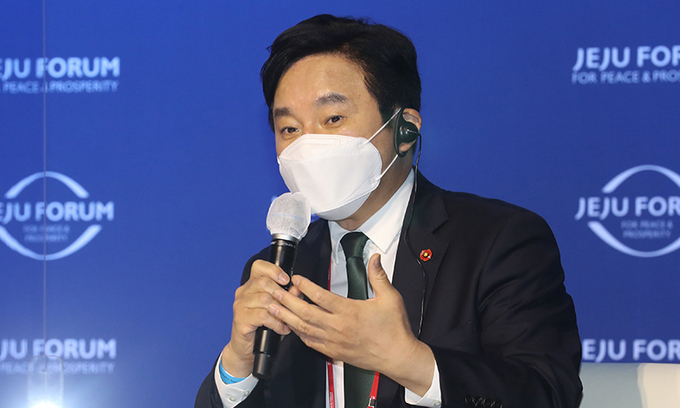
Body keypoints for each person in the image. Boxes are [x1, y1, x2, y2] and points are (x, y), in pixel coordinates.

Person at [196, 14, 582, 408]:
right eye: (290, 129)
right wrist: (238, 364)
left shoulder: (497, 241)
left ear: (404, 130)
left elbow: (549, 393)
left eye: (333, 119)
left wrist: (410, 362)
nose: (307, 145)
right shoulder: (279, 269)